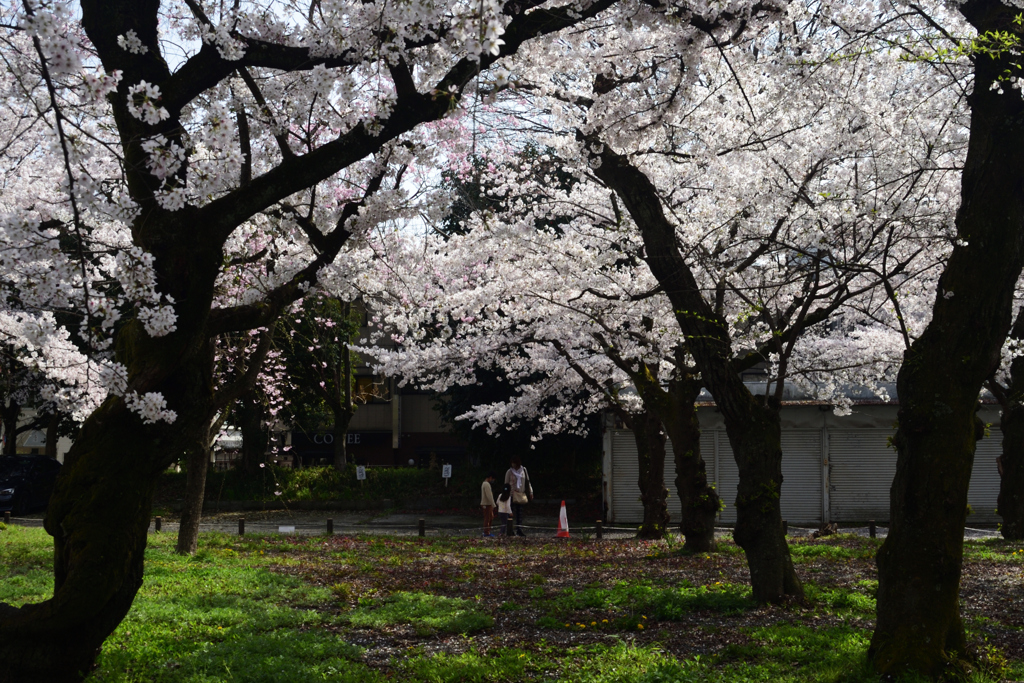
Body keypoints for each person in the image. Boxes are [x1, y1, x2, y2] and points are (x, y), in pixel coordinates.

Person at [504, 456, 533, 536]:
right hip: (512, 495)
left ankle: (519, 529)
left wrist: (530, 492)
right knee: (510, 513)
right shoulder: (509, 472)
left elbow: (527, 482)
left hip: (521, 494)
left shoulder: (524, 470)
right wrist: (506, 494)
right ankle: (510, 530)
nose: (513, 464)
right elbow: (506, 484)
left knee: (519, 513)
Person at [481, 472, 497, 537]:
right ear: (490, 477)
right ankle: (486, 532)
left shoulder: (484, 483)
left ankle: (487, 531)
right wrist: (493, 504)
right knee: (488, 518)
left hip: (487, 503)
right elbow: (489, 496)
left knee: (490, 517)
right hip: (487, 504)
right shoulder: (486, 484)